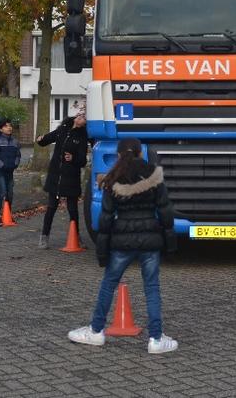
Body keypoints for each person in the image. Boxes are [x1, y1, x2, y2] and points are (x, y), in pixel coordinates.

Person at [68, 138, 179, 354]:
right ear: (140, 153)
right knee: (152, 287)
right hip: (150, 240)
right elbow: (165, 212)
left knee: (109, 284)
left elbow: (106, 219)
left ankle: (96, 331)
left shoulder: (112, 179)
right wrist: (170, 245)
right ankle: (156, 339)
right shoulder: (154, 175)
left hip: (122, 241)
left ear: (119, 155)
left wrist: (102, 251)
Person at [36, 111, 88, 248]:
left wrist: (73, 159)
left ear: (85, 124)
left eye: (83, 117)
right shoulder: (62, 130)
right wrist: (41, 139)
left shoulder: (82, 137)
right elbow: (47, 139)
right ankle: (44, 237)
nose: (80, 117)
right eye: (79, 115)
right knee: (51, 208)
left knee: (73, 209)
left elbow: (82, 160)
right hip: (55, 176)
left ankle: (76, 237)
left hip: (71, 177)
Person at [0, 118, 21, 226]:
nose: (9, 128)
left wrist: (15, 164)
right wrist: (2, 164)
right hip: (0, 171)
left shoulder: (15, 142)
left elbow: (18, 155)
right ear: (1, 129)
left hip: (10, 172)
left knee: (10, 194)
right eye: (6, 126)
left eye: (10, 125)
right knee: (2, 192)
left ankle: (7, 215)